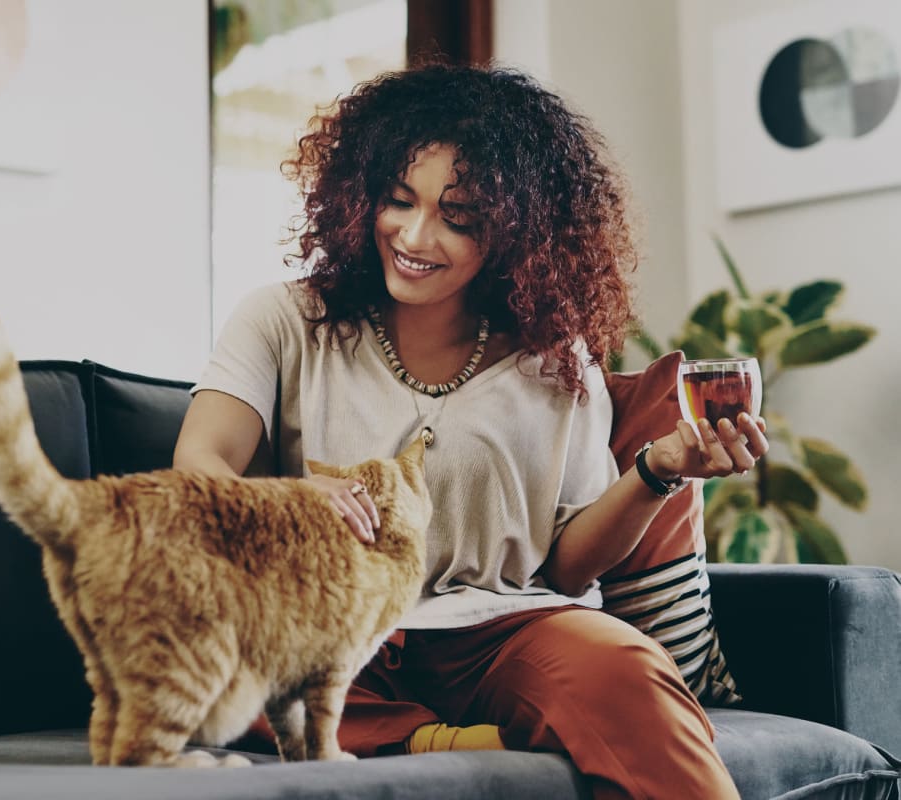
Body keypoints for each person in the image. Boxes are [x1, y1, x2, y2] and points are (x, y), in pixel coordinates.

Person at [173, 61, 767, 799]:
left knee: (625, 667)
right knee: (224, 663)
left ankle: (425, 731)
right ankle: (431, 739)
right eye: (398, 201)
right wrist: (289, 504)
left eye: (458, 220)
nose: (414, 235)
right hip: (337, 626)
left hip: (504, 632)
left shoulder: (558, 360)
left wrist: (656, 470)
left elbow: (569, 568)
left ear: (519, 233)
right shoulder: (285, 319)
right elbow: (200, 463)